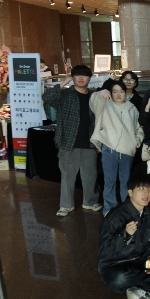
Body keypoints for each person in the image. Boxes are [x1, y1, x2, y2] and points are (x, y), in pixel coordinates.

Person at [43, 65, 101, 217]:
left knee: (90, 175)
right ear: (73, 77)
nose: (81, 78)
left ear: (90, 78)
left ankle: (90, 201)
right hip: (68, 142)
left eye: (84, 75)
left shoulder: (94, 96)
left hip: (89, 142)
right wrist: (64, 82)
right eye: (77, 75)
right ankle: (66, 205)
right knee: (68, 176)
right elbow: (46, 97)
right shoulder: (65, 94)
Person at [90, 80, 144, 216]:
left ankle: (127, 208)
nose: (118, 94)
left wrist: (137, 140)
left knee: (126, 182)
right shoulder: (105, 105)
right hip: (109, 149)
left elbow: (139, 128)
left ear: (125, 93)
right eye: (114, 91)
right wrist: (102, 93)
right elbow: (93, 101)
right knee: (110, 182)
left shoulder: (132, 108)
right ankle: (109, 209)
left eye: (121, 91)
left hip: (127, 150)